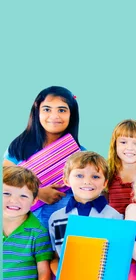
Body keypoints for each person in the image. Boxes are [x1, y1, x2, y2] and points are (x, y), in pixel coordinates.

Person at [48, 151, 122, 280]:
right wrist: (60, 277)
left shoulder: (115, 217)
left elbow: (118, 259)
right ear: (66, 180)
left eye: (95, 176)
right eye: (79, 175)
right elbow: (55, 258)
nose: (87, 181)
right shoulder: (56, 219)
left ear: (104, 183)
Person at [3, 86, 83, 228]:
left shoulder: (80, 154)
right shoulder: (19, 146)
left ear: (72, 114)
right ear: (37, 112)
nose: (54, 116)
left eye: (62, 110)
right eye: (47, 109)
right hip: (22, 227)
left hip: (62, 228)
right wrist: (38, 193)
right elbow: (5, 179)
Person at [3, 166, 53, 280]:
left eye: (23, 196)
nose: (13, 200)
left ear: (35, 200)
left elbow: (44, 273)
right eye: (6, 193)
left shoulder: (37, 232)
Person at [106, 119, 136, 214]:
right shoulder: (107, 173)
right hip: (113, 226)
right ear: (115, 145)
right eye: (123, 142)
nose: (130, 148)